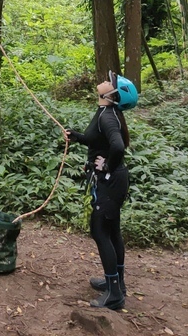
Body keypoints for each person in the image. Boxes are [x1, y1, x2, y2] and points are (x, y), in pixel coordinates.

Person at [65, 70, 138, 311]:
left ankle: (114, 294)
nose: (106, 81)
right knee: (112, 230)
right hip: (112, 181)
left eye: (110, 82)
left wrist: (106, 165)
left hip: (110, 182)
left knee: (100, 232)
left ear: (113, 95)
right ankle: (117, 283)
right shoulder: (106, 113)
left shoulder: (108, 116)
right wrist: (77, 137)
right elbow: (97, 139)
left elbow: (117, 146)